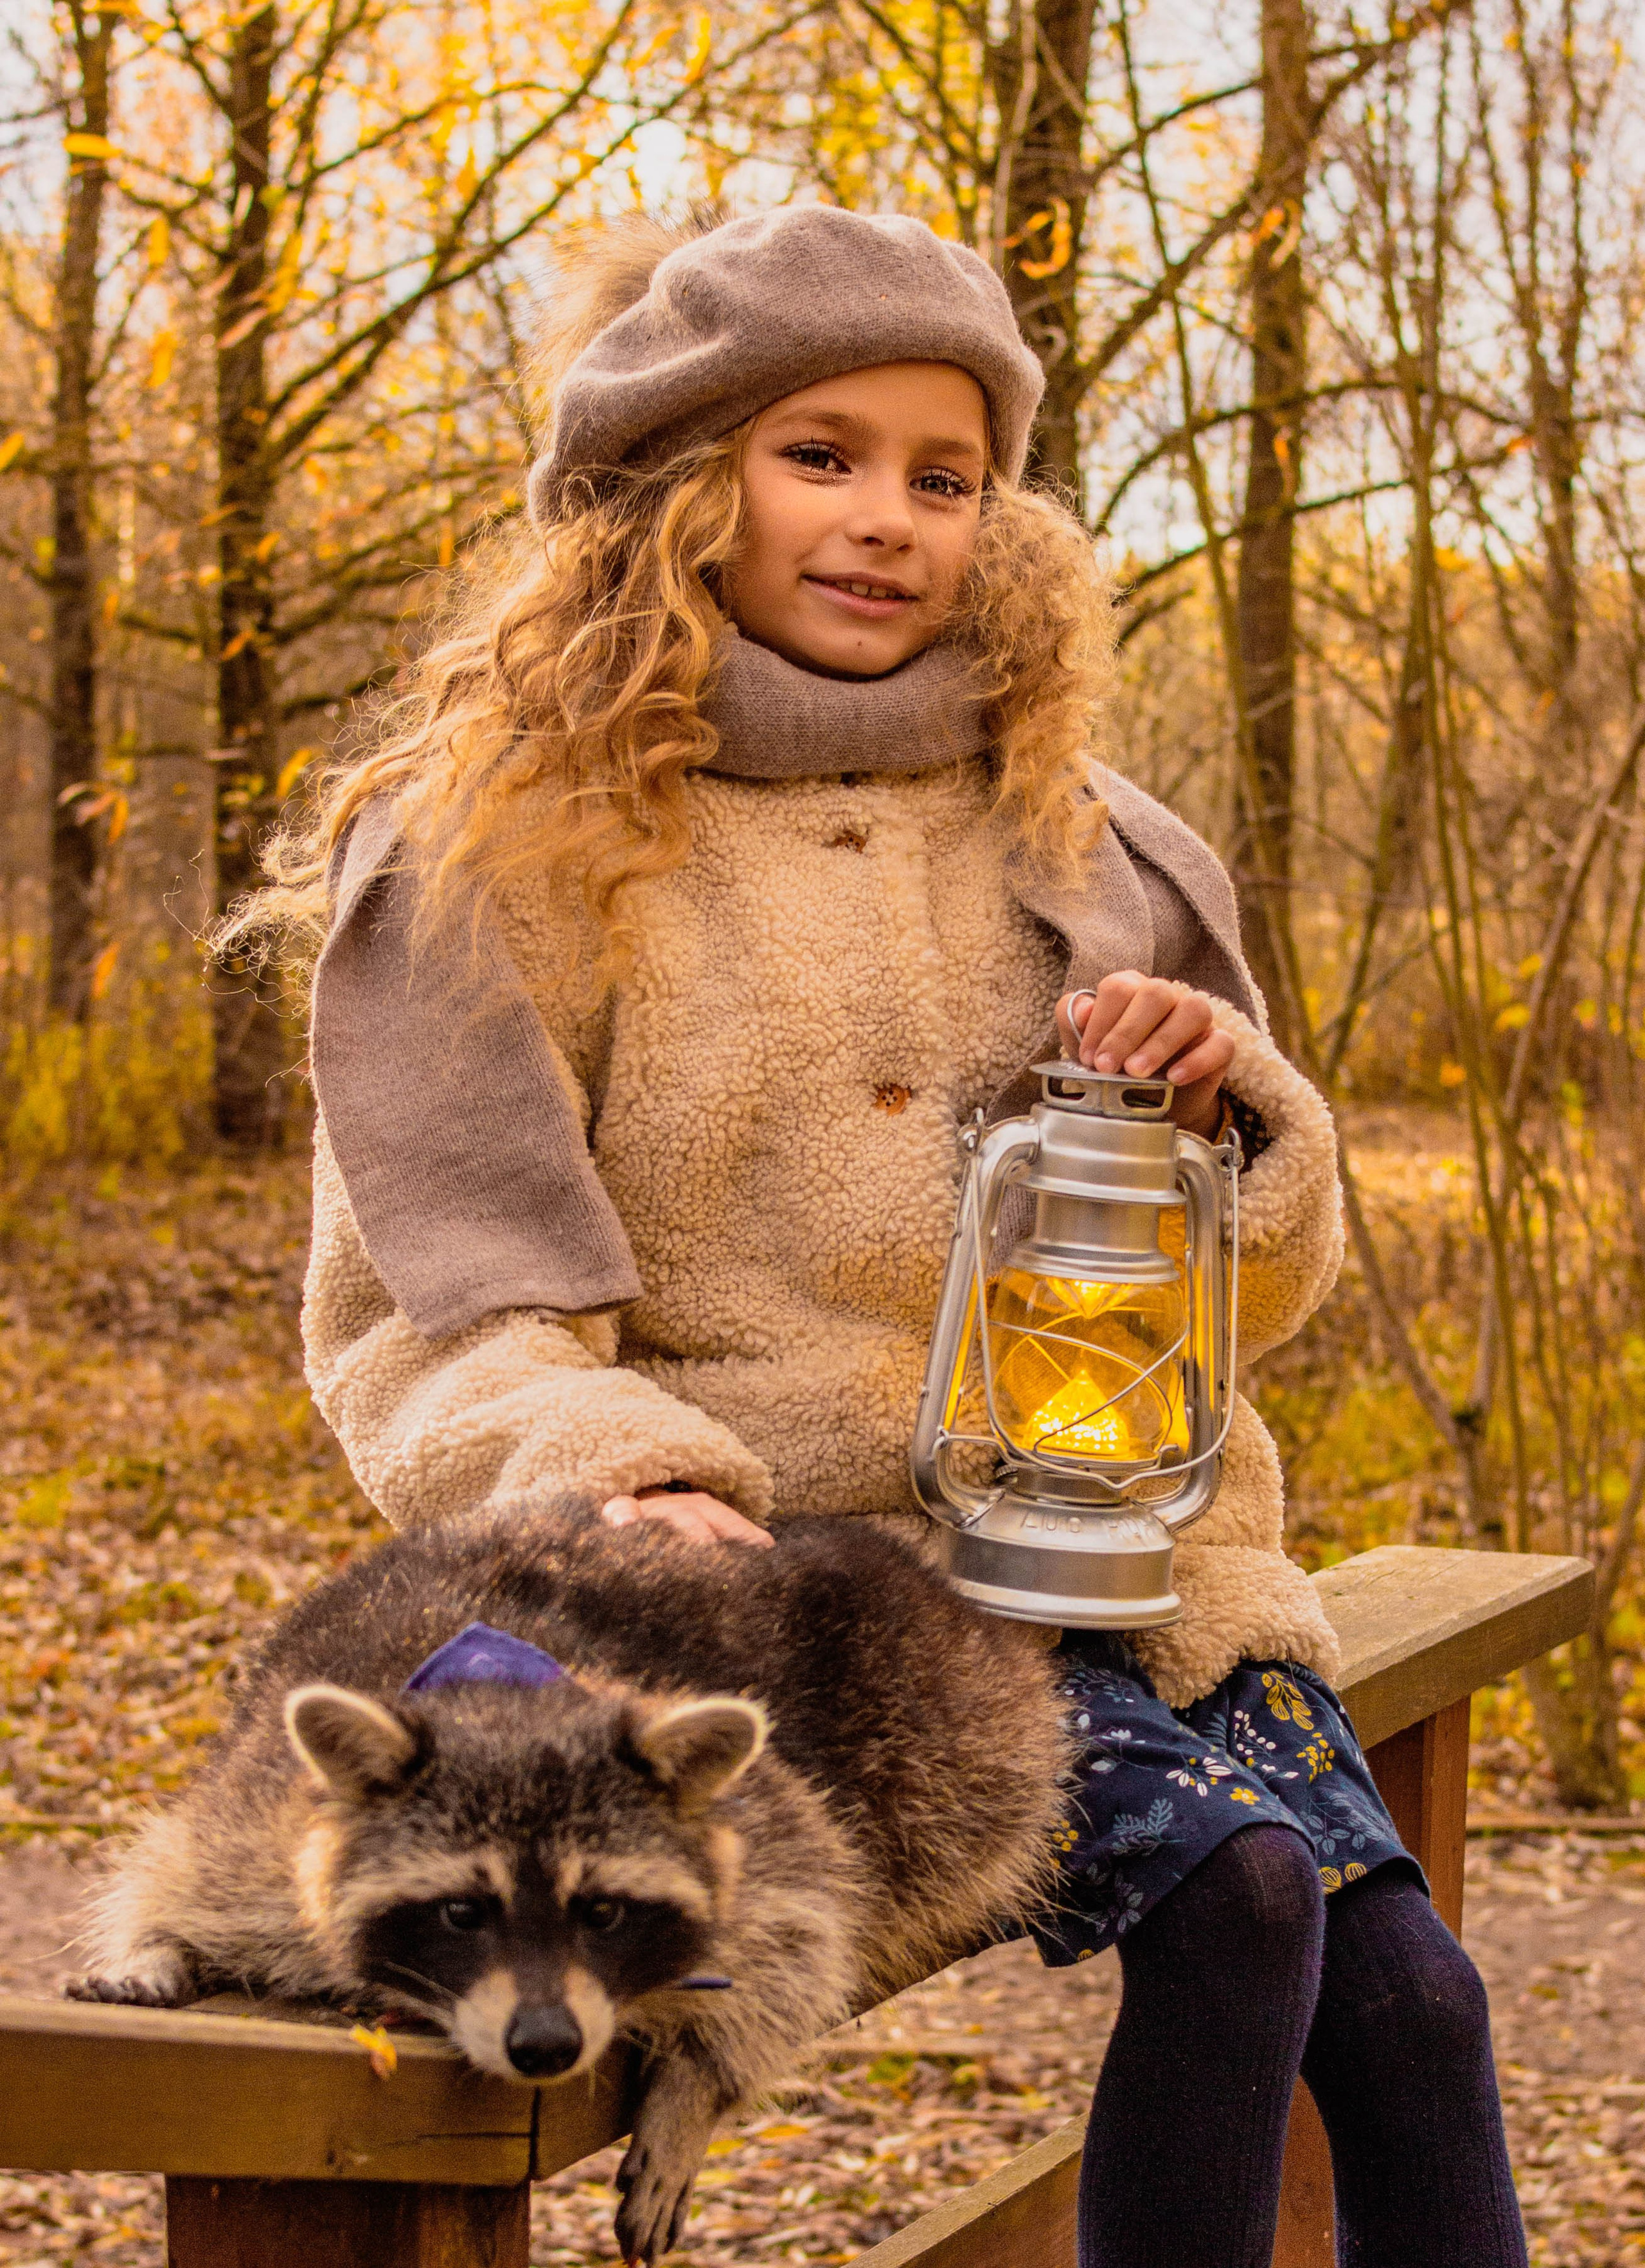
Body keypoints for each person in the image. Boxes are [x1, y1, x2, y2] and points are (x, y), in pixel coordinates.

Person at [252, 206, 1525, 2268]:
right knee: (1245, 1901)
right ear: (680, 481)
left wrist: (1226, 1115)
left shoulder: (1090, 837)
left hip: (1140, 1560)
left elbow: (1248, 1296)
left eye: (946, 478)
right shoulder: (504, 846)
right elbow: (439, 1304)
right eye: (817, 455)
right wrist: (619, 1477)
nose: (887, 521)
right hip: (802, 1608)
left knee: (1415, 1994)